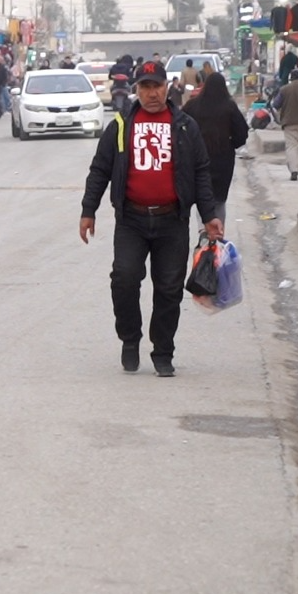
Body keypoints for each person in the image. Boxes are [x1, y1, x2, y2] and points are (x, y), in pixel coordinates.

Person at [80, 60, 223, 378]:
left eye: (156, 86)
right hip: (131, 220)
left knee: (169, 289)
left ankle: (163, 352)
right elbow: (100, 169)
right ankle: (130, 340)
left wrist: (209, 215)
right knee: (124, 279)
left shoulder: (185, 125)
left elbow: (200, 171)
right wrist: (88, 210)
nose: (152, 93)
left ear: (166, 86)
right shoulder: (120, 125)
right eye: (145, 87)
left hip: (172, 221)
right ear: (136, 90)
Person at [181, 75, 250, 224]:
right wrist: (232, 144)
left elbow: (179, 128)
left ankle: (203, 233)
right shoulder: (229, 106)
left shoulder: (192, 106)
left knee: (202, 197)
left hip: (198, 160)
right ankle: (217, 236)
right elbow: (242, 133)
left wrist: (188, 149)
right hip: (223, 160)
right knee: (219, 200)